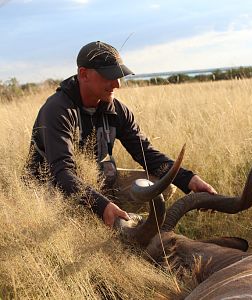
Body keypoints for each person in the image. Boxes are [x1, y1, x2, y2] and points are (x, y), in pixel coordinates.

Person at [25, 41, 217, 228]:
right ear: (83, 74)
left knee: (164, 186)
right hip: (52, 189)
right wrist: (102, 206)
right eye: (109, 76)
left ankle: (116, 218)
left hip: (99, 183)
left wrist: (190, 180)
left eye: (119, 76)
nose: (117, 84)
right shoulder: (57, 110)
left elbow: (146, 153)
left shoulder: (116, 110)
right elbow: (63, 173)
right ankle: (102, 220)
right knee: (76, 215)